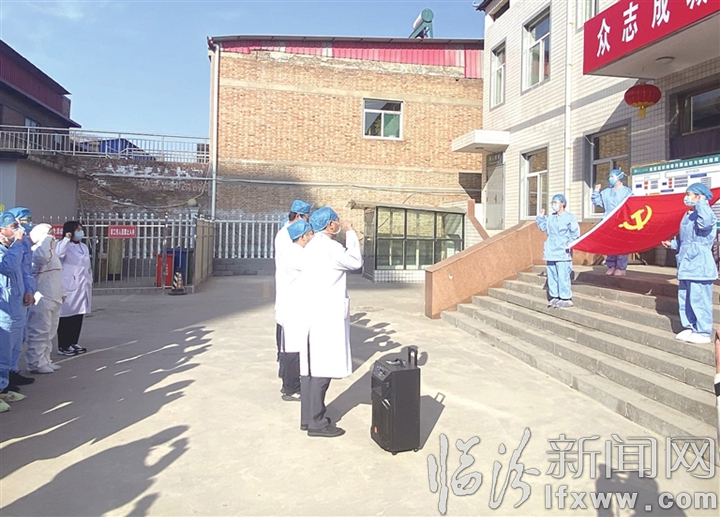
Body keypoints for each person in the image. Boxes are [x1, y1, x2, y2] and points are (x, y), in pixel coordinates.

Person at [299, 206, 362, 437]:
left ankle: (307, 417)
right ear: (330, 225)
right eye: (336, 221)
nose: (338, 223)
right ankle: (317, 422)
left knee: (310, 368)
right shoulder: (330, 247)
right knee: (322, 368)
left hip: (312, 312)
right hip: (326, 315)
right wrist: (351, 234)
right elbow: (355, 262)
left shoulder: (311, 246)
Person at [662, 183, 717, 345]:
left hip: (699, 264)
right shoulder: (688, 215)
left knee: (699, 299)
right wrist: (672, 244)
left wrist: (702, 203)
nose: (686, 197)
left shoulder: (706, 213)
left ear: (700, 196)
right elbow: (686, 239)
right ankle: (690, 326)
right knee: (685, 298)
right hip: (686, 264)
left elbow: (705, 224)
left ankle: (703, 331)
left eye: (690, 194)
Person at [274, 199, 311, 398]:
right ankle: (290, 386)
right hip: (292, 300)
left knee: (287, 343)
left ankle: (287, 379)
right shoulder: (290, 243)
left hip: (288, 297)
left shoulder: (286, 234)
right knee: (291, 346)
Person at [26, 223, 64, 373]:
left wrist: (62, 292)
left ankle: (45, 359)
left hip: (54, 296)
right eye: (49, 232)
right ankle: (35, 362)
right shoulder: (37, 251)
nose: (52, 235)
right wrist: (46, 238)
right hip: (42, 296)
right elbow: (41, 259)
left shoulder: (51, 252)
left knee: (50, 331)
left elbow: (57, 275)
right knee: (39, 330)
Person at [0, 212, 28, 411]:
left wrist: (29, 290)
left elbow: (22, 270)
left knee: (13, 349)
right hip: (4, 311)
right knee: (2, 351)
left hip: (16, 306)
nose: (18, 230)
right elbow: (8, 267)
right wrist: (18, 243)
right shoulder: (6, 250)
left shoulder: (13, 248)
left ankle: (4, 388)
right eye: (13, 226)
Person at [6, 207, 36, 387]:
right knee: (6, 341)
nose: (27, 224)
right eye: (24, 221)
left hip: (19, 296)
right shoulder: (11, 244)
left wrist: (29, 289)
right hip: (7, 299)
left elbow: (26, 270)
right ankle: (5, 378)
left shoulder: (23, 242)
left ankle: (12, 371)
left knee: (18, 338)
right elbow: (9, 266)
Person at [536, 194, 580, 309]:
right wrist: (540, 217)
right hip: (551, 249)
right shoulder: (551, 217)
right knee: (552, 275)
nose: (553, 205)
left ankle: (565, 298)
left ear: (562, 203)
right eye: (552, 202)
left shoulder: (569, 217)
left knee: (563, 275)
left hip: (563, 251)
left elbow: (575, 233)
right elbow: (544, 227)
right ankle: (554, 296)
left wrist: (569, 243)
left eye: (555, 202)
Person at [55, 221, 92, 356]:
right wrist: (66, 239)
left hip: (82, 285)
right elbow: (58, 254)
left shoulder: (83, 246)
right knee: (66, 316)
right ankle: (63, 345)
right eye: (77, 230)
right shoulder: (63, 245)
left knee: (78, 315)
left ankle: (73, 342)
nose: (80, 232)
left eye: (81, 229)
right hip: (69, 285)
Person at [591, 169, 633, 276]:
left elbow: (631, 206)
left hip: (622, 221)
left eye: (612, 177)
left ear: (619, 178)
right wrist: (596, 191)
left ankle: (621, 267)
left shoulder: (627, 192)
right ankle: (611, 265)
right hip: (608, 221)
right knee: (610, 245)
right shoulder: (606, 192)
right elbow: (598, 202)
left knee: (621, 245)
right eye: (610, 176)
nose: (610, 178)